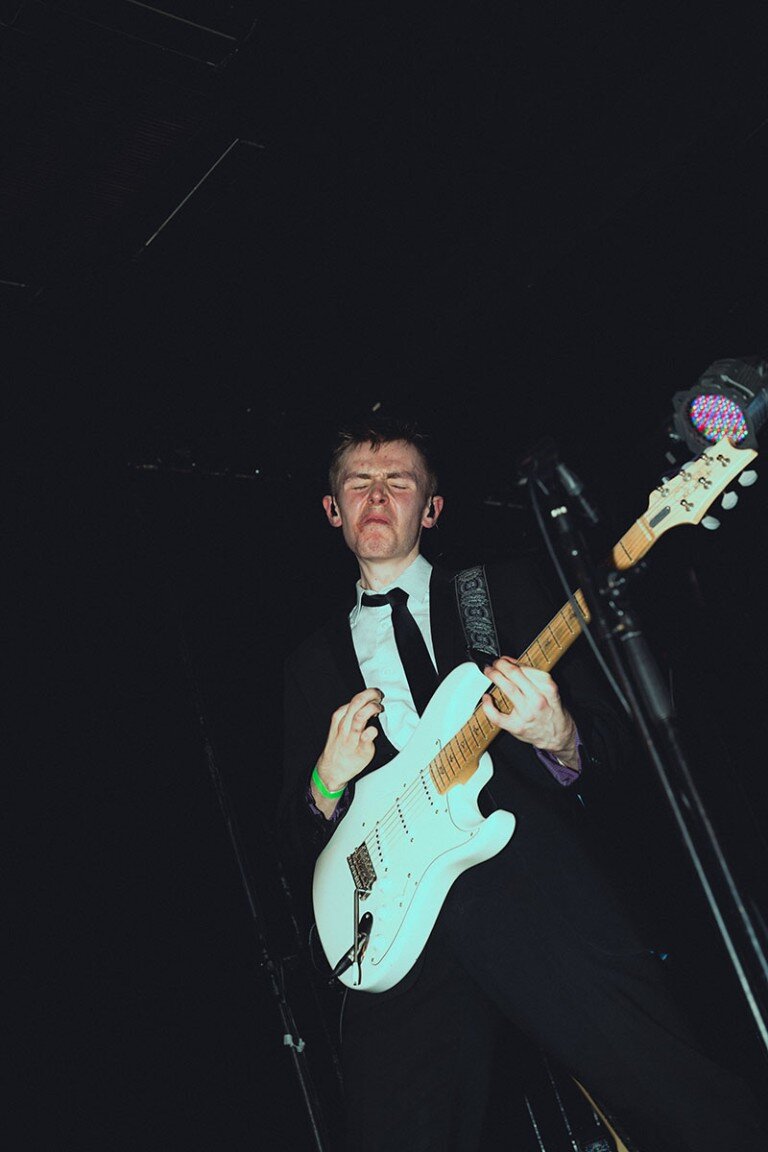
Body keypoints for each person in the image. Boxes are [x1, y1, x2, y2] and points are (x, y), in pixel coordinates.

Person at [279, 416, 766, 1151]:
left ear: (431, 509)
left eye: (399, 481)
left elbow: (611, 739)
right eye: (359, 483)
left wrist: (559, 736)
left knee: (665, 1081)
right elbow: (291, 833)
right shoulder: (310, 664)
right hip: (390, 927)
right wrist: (325, 779)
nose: (378, 496)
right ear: (333, 510)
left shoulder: (500, 591)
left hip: (518, 868)